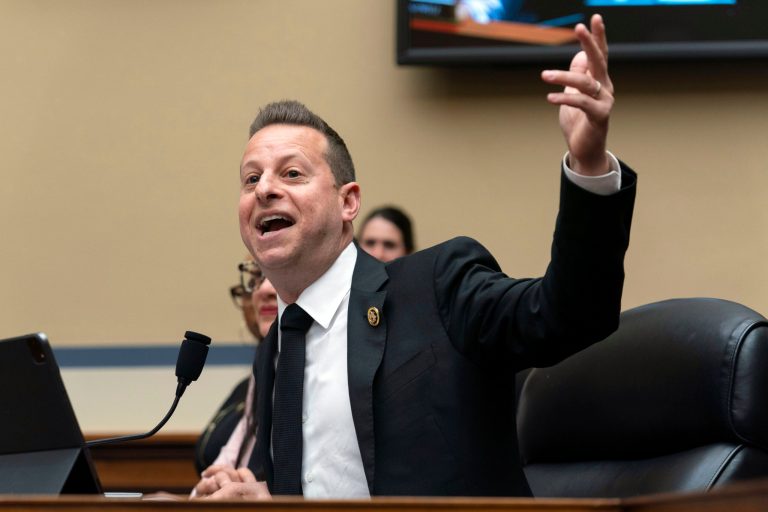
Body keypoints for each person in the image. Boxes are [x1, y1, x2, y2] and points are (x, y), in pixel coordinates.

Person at [200, 15, 636, 499]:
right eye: (250, 178)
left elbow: (570, 316)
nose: (265, 189)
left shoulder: (436, 285)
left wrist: (590, 165)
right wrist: (266, 498)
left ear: (348, 203)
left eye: (292, 174)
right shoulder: (276, 346)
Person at [193, 259, 277, 476]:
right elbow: (230, 460)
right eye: (257, 278)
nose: (264, 289)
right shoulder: (258, 374)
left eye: (277, 275)